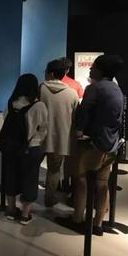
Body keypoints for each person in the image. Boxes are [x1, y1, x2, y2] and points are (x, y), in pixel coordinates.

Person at [70, 55, 124, 236]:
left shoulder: (94, 88)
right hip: (110, 145)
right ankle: (98, 223)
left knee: (81, 180)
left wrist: (79, 132)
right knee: (102, 184)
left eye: (93, 67)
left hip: (91, 144)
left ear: (100, 70)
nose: (90, 70)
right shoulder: (116, 89)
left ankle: (78, 218)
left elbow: (84, 112)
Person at [1, 74, 48, 225]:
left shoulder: (10, 103)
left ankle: (11, 210)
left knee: (11, 176)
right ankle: (25, 214)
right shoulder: (39, 106)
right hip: (30, 148)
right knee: (30, 179)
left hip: (10, 147)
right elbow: (43, 128)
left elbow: (5, 122)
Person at [40, 59, 79, 207]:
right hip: (60, 138)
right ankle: (49, 199)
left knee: (31, 167)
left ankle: (26, 198)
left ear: (50, 73)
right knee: (54, 170)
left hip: (38, 136)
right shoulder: (72, 93)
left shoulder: (40, 89)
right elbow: (76, 118)